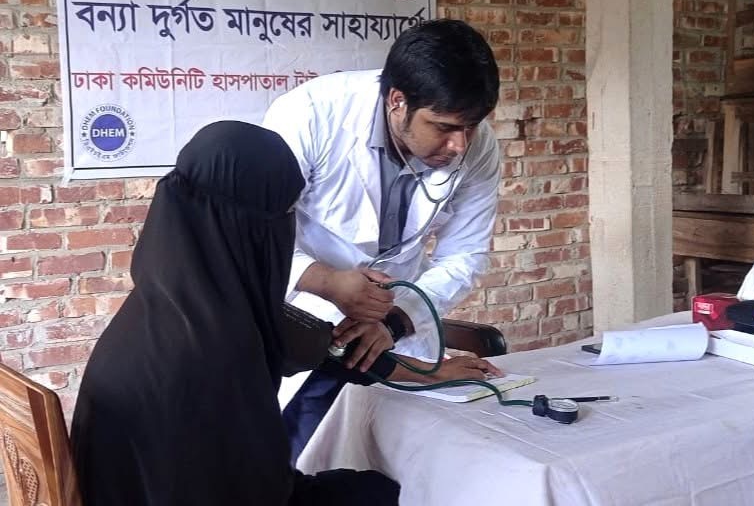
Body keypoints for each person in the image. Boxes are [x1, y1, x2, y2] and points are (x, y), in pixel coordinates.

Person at [70, 121, 501, 506]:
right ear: (252, 225)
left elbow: (327, 349)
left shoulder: (175, 302)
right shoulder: (213, 355)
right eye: (287, 213)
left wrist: (430, 372)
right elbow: (262, 489)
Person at [263, 18, 501, 463]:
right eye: (444, 127)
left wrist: (393, 323)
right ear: (397, 101)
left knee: (398, 465)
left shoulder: (477, 145)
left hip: (393, 336)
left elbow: (464, 255)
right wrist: (327, 281)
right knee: (299, 462)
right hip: (306, 322)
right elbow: (256, 237)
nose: (459, 145)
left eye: (471, 126)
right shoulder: (310, 115)